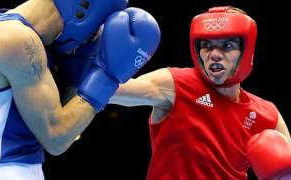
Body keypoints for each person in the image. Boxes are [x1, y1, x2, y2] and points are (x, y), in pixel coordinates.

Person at [0, 0, 160, 179]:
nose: (93, 37)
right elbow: (57, 137)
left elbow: (70, 126)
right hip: (0, 171)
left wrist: (76, 79)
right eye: (96, 29)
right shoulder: (14, 39)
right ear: (83, 5)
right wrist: (106, 76)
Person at [107, 6, 291, 179]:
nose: (215, 54)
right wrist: (89, 63)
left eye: (227, 45)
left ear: (247, 50)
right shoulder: (176, 83)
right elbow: (111, 91)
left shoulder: (267, 114)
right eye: (207, 45)